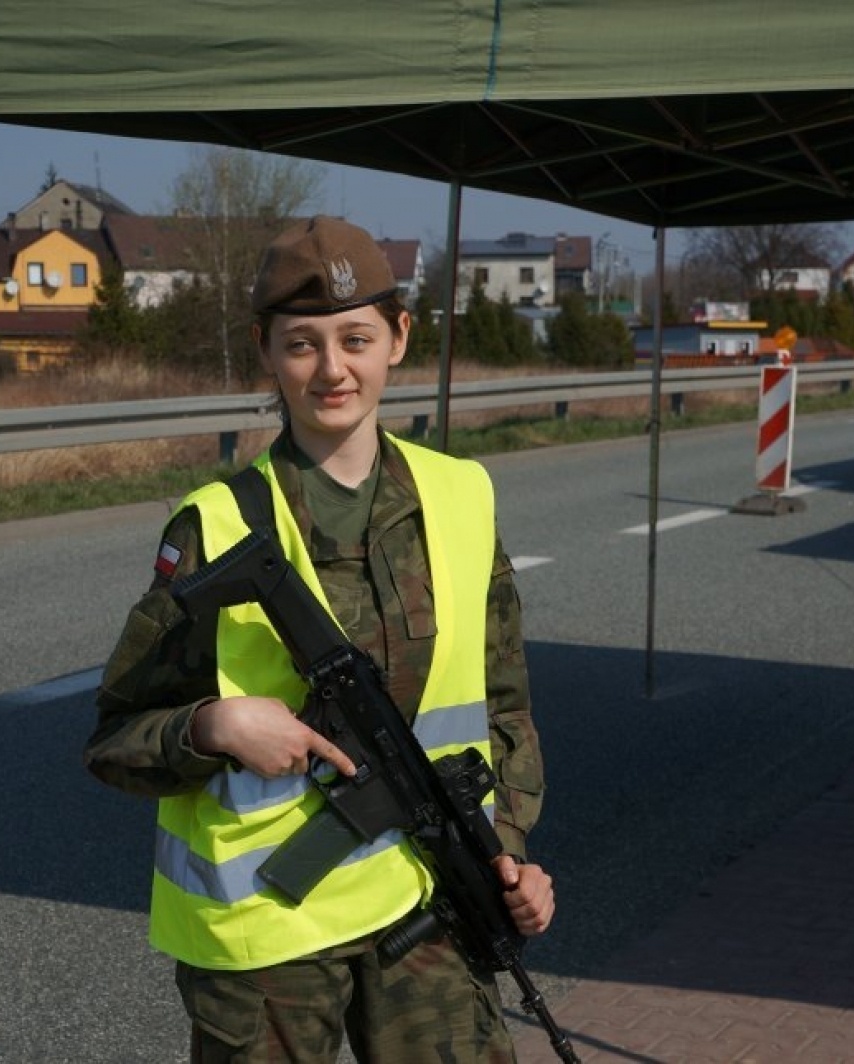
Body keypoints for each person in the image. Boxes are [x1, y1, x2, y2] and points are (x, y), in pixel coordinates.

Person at [84, 216, 555, 1063]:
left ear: (400, 339)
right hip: (267, 936)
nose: (333, 369)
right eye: (302, 344)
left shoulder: (461, 496)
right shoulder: (217, 525)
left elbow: (503, 703)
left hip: (432, 898)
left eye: (356, 338)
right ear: (265, 351)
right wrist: (213, 730)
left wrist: (510, 854)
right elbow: (115, 739)